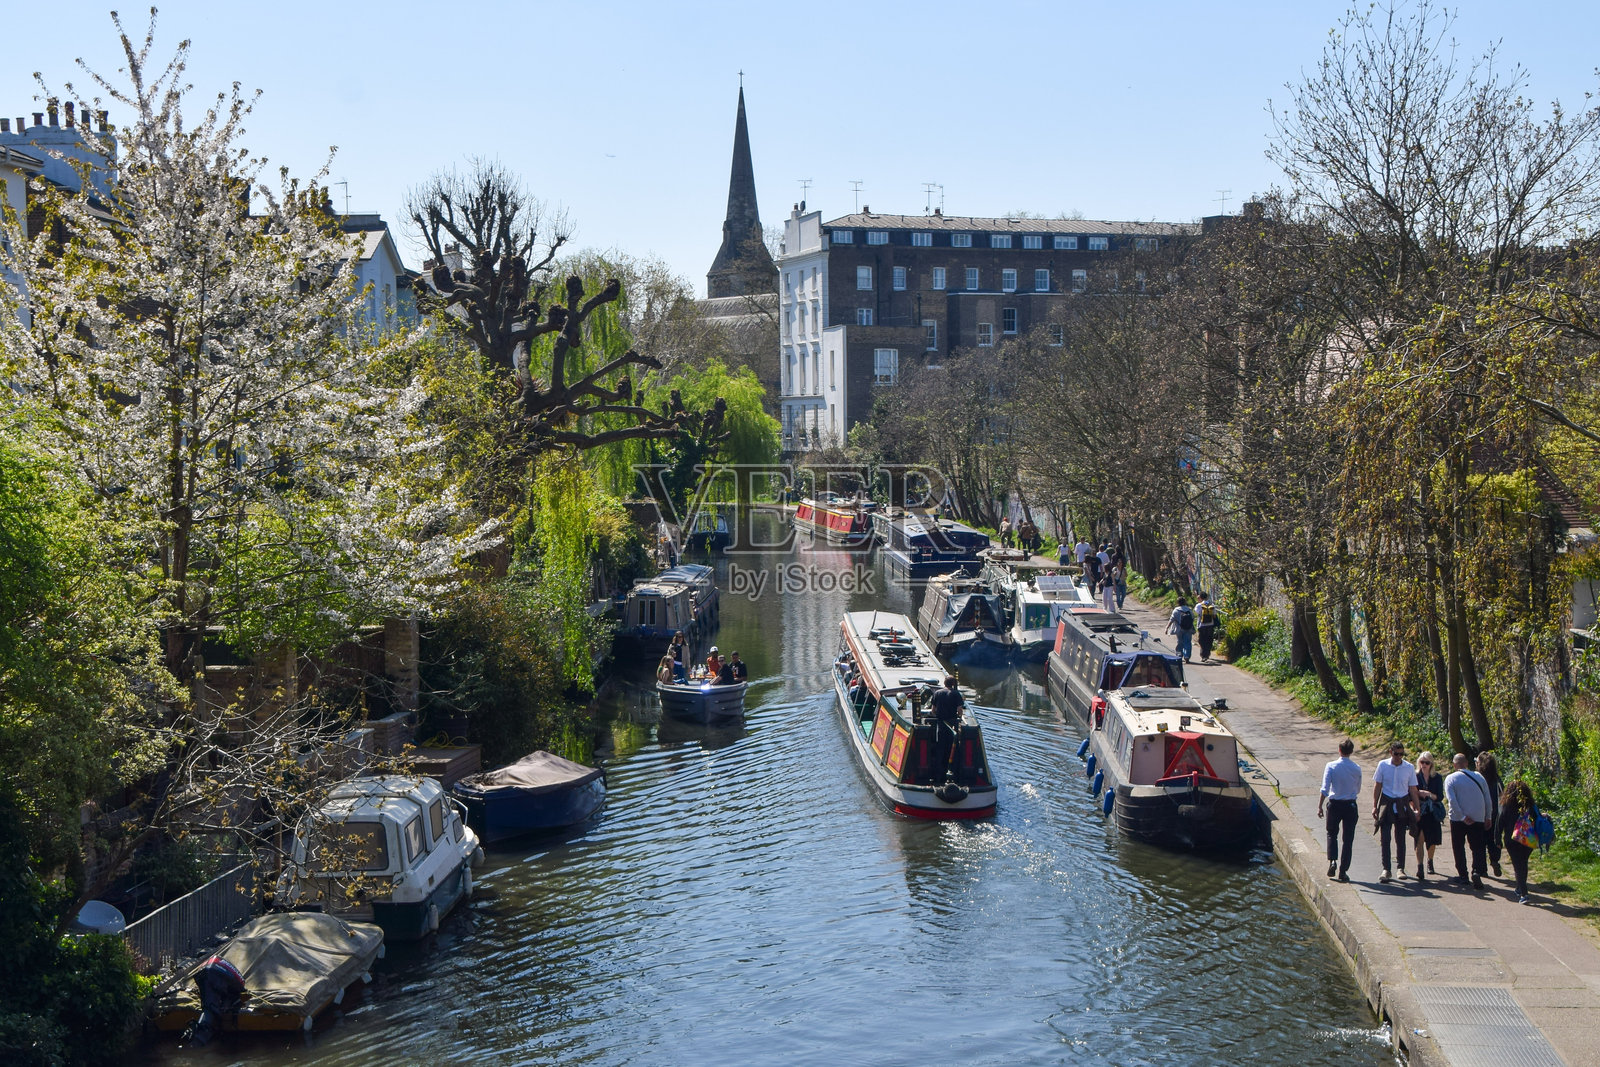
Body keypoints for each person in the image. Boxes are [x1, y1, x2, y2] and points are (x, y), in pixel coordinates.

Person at [1371, 741, 1420, 884]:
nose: (1399, 757)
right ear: (1390, 752)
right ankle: (1386, 869)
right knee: (1385, 838)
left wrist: (1417, 808)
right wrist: (1375, 806)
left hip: (1402, 805)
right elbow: (1378, 785)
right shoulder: (1383, 765)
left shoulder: (1409, 767)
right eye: (1396, 754)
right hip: (1387, 803)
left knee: (1400, 838)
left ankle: (1401, 868)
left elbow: (1413, 789)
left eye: (1401, 754)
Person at [1444, 753, 1492, 890]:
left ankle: (1463, 876)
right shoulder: (1479, 777)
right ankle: (1476, 871)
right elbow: (1487, 798)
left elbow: (1452, 801)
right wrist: (1488, 816)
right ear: (1466, 763)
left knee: (1458, 847)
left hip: (1458, 819)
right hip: (1478, 816)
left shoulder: (1450, 778)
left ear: (1454, 765)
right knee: (1477, 846)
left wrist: (1463, 817)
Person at [1318, 739, 1362, 882]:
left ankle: (1332, 861)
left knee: (1332, 834)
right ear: (1351, 751)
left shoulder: (1331, 766)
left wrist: (1320, 806)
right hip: (1350, 805)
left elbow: (1325, 789)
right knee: (1348, 840)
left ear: (1339, 750)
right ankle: (1343, 871)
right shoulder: (1356, 768)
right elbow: (1358, 789)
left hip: (1335, 804)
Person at [1499, 780, 1538, 904]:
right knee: (1523, 863)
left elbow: (1499, 823)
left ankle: (1524, 893)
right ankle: (1519, 887)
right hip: (1528, 839)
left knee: (1517, 866)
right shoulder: (1530, 805)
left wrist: (1497, 839)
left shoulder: (1507, 805)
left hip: (1512, 840)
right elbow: (1536, 820)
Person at [1412, 752, 1445, 880]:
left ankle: (1430, 861)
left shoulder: (1437, 778)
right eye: (1422, 762)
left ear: (1431, 764)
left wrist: (1429, 794)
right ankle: (1420, 866)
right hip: (1419, 811)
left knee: (1432, 841)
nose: (1424, 765)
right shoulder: (1414, 776)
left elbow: (1440, 797)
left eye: (1427, 763)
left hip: (1432, 812)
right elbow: (1410, 794)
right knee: (1419, 839)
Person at [929, 675, 965, 779]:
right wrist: (960, 717)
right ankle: (953, 768)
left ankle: (939, 771)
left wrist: (935, 715)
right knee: (952, 745)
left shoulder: (937, 693)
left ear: (944, 683)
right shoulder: (956, 694)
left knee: (941, 745)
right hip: (952, 723)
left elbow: (933, 710)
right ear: (953, 684)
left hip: (941, 723)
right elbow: (959, 709)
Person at [1477, 751, 1504, 877]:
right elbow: (1503, 794)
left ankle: (1482, 869)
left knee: (1480, 841)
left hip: (1481, 813)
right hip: (1495, 814)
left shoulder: (1478, 778)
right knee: (1494, 839)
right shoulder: (1497, 778)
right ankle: (1494, 860)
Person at [1166, 598, 1195, 662]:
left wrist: (1167, 627)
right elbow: (1193, 618)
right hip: (1188, 628)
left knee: (1180, 642)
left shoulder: (1176, 610)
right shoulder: (1189, 610)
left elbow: (1172, 619)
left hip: (1179, 629)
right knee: (1187, 642)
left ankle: (1179, 655)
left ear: (1178, 603)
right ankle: (1187, 656)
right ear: (1185, 602)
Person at [1195, 592, 1220, 664]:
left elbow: (1197, 613)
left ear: (1201, 597)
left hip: (1201, 625)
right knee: (1209, 640)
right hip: (1210, 625)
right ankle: (1207, 654)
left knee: (1202, 640)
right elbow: (1214, 615)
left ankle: (1203, 655)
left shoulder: (1199, 605)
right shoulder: (1211, 605)